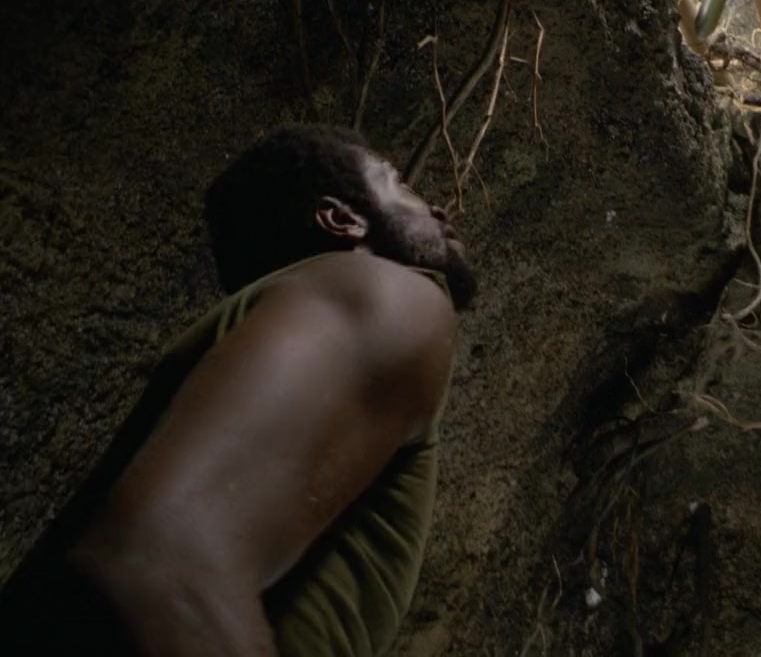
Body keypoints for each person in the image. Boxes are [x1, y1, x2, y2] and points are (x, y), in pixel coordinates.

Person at [0, 124, 477, 656]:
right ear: (342, 219)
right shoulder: (383, 294)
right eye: (399, 183)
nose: (438, 207)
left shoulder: (268, 340)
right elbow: (165, 570)